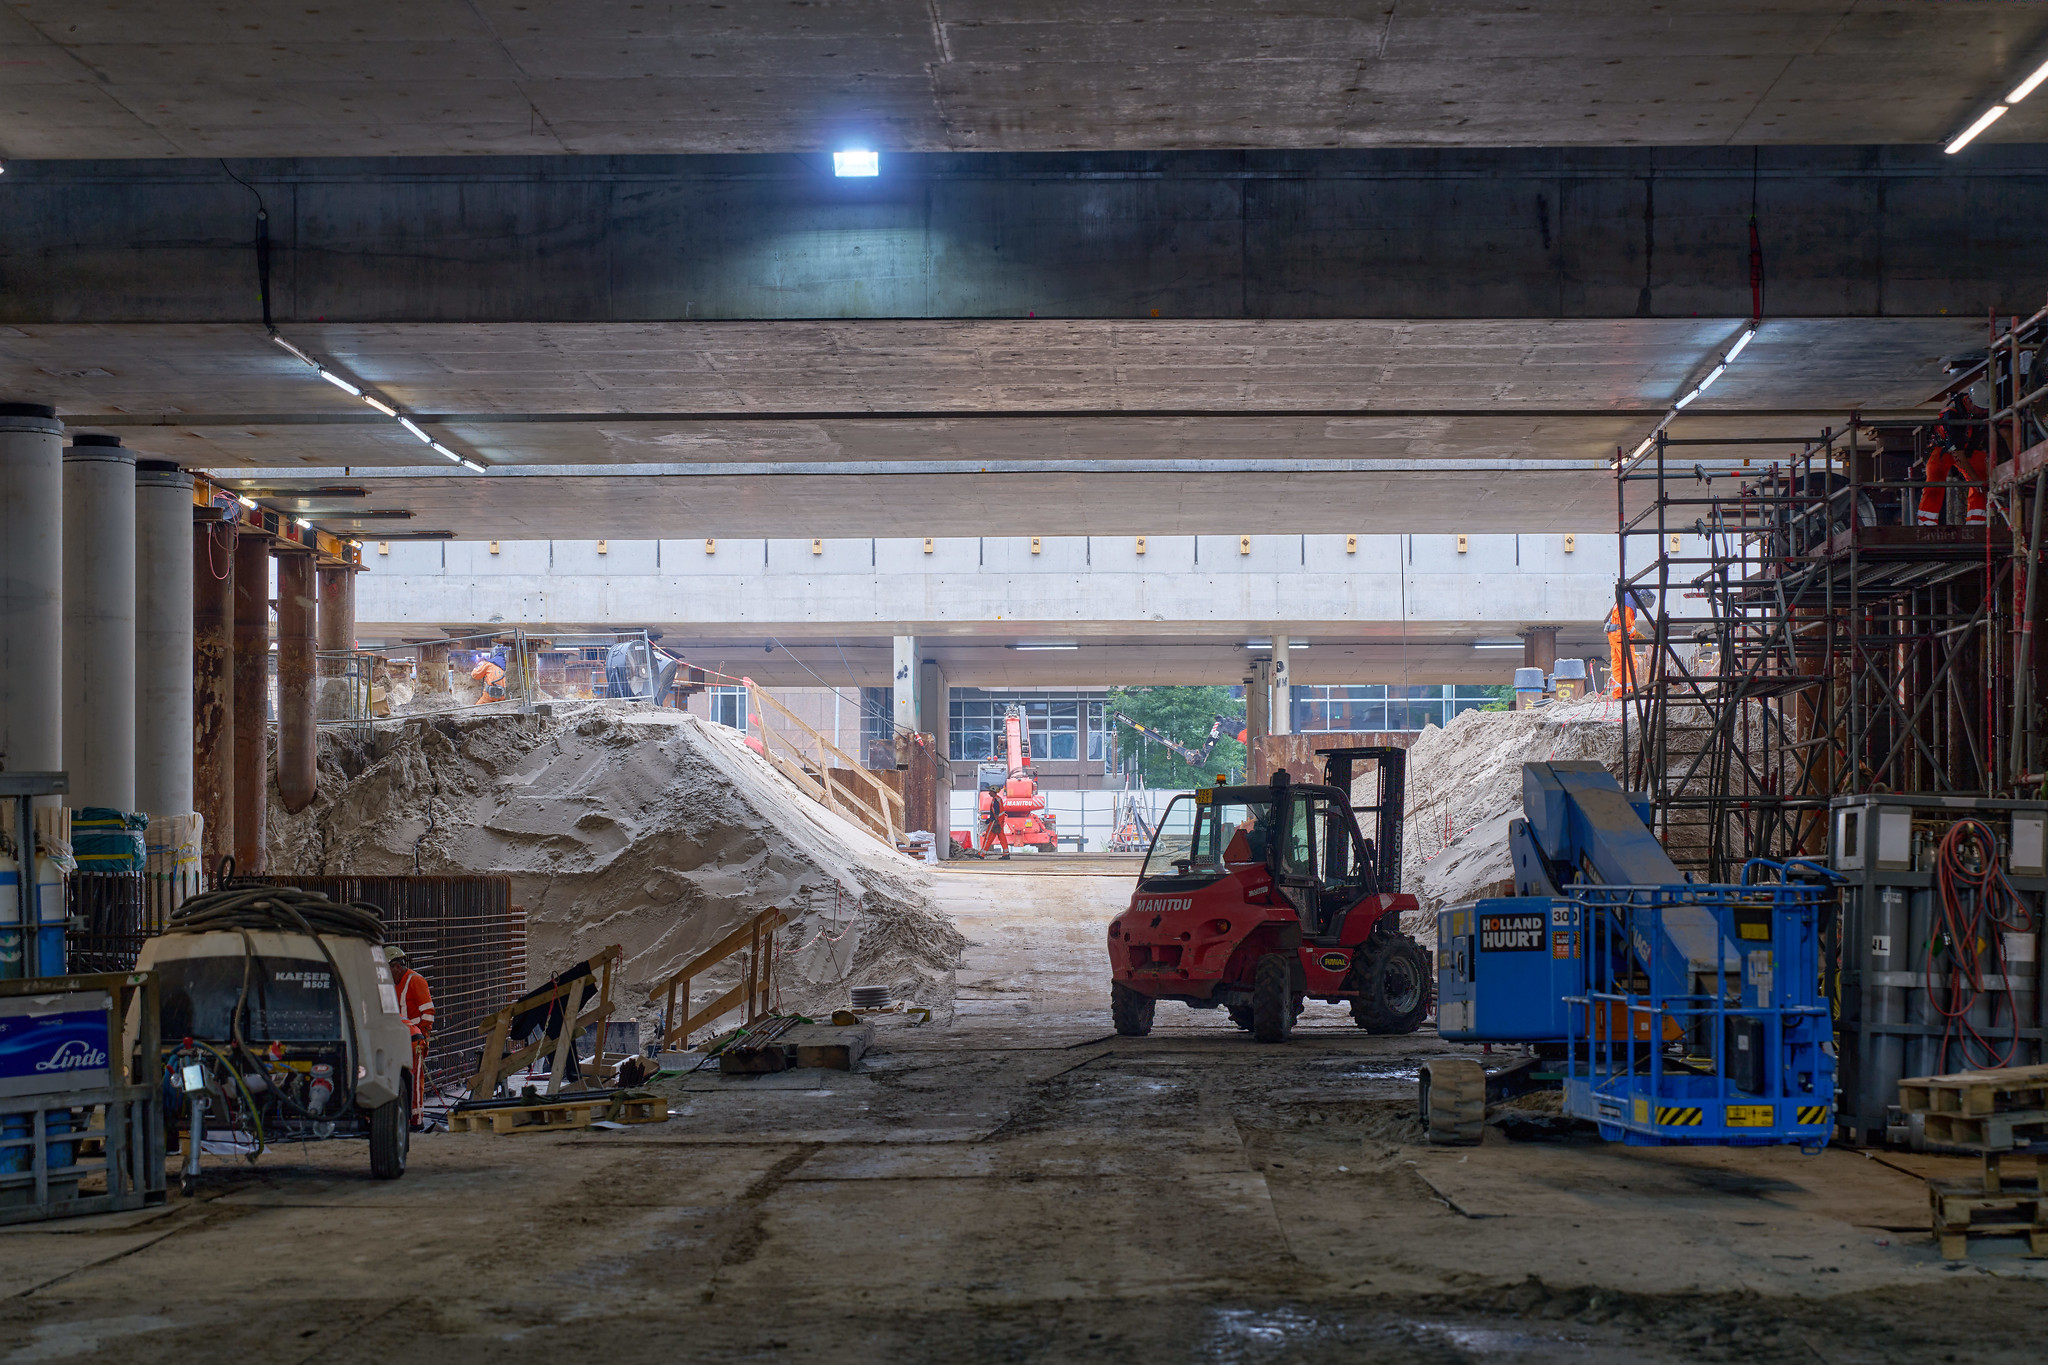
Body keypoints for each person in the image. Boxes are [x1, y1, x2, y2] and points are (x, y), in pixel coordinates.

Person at [1919, 392, 1989, 527]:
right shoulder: (1951, 414)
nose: (1983, 411)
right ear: (1969, 401)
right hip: (1944, 448)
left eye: (1985, 409)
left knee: (1981, 475)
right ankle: (1926, 524)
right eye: (1980, 408)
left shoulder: (1980, 410)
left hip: (1966, 447)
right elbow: (1957, 453)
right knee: (1935, 478)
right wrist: (1976, 481)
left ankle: (1977, 524)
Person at [387, 945, 435, 1126]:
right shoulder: (394, 984)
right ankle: (406, 1118)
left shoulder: (415, 981)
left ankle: (416, 1120)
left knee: (414, 1080)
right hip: (399, 1038)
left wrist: (423, 1036)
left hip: (413, 1040)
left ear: (396, 966)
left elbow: (428, 1012)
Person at [1605, 589, 1654, 697]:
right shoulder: (1629, 605)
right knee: (1629, 663)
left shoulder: (1625, 599)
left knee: (1618, 663)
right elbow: (1626, 626)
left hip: (1613, 633)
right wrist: (1638, 636)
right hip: (1620, 634)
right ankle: (1629, 690)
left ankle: (1618, 692)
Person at [979, 781, 1011, 859]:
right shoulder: (998, 799)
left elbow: (996, 812)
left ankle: (982, 854)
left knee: (988, 837)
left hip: (995, 822)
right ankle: (1006, 854)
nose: (989, 792)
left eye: (990, 791)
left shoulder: (995, 800)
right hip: (999, 821)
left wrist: (994, 820)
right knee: (1002, 838)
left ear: (993, 792)